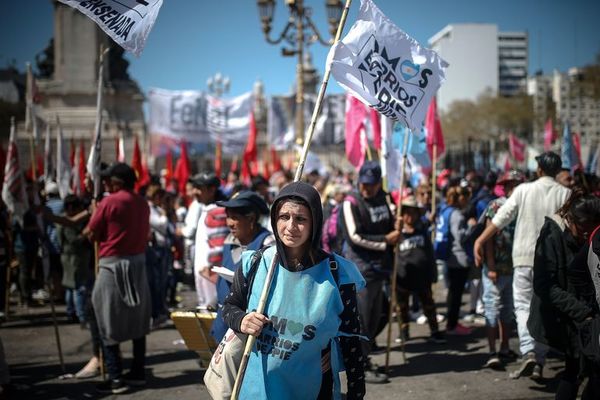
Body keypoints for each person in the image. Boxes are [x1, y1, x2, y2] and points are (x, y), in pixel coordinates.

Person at [222, 182, 366, 399]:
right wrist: (241, 320)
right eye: (284, 217)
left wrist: (356, 392)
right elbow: (229, 307)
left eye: (300, 219)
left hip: (314, 389)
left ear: (315, 223)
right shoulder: (254, 263)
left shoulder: (337, 274)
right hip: (259, 387)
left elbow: (351, 336)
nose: (290, 226)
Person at [474, 151, 571, 380]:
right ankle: (538, 358)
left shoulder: (524, 190)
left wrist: (480, 240)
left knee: (523, 307)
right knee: (545, 308)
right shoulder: (565, 194)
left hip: (524, 259)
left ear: (538, 170)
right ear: (557, 171)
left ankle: (528, 351)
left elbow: (500, 219)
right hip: (552, 262)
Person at [85, 163, 151, 394]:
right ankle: (137, 372)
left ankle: (115, 378)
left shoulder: (109, 201)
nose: (105, 185)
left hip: (113, 265)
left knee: (105, 318)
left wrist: (96, 211)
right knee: (138, 319)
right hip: (138, 264)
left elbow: (91, 233)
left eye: (107, 181)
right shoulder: (142, 203)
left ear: (116, 182)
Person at [528, 192, 600, 399]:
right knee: (576, 370)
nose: (589, 236)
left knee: (584, 371)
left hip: (586, 316)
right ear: (571, 220)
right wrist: (583, 313)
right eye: (585, 231)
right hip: (566, 318)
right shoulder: (552, 234)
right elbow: (544, 285)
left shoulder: (590, 236)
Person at [339, 160, 400, 383]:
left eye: (372, 184)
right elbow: (354, 237)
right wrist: (385, 241)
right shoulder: (351, 203)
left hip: (381, 268)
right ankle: (361, 365)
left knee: (379, 314)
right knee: (361, 318)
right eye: (364, 183)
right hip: (361, 270)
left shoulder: (383, 198)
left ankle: (366, 354)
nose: (367, 188)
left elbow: (390, 224)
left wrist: (396, 226)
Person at [210, 191, 274, 342]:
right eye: (228, 217)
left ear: (251, 219)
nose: (229, 223)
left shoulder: (268, 245)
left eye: (235, 218)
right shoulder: (230, 240)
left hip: (248, 327)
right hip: (224, 322)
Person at [479, 171, 524, 369]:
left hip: (514, 267)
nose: (512, 188)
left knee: (508, 310)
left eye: (516, 184)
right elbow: (488, 238)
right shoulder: (496, 206)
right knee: (492, 309)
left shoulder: (523, 205)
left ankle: (505, 347)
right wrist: (491, 266)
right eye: (509, 184)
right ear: (503, 186)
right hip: (495, 268)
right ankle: (492, 351)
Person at [394, 196, 445, 344]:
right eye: (407, 213)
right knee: (402, 307)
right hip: (402, 276)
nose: (410, 217)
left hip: (422, 275)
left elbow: (429, 254)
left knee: (428, 304)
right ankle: (404, 332)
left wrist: (433, 272)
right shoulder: (397, 234)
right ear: (402, 215)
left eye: (413, 213)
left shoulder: (422, 231)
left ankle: (435, 331)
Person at [438, 185, 475, 335]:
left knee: (453, 292)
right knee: (456, 293)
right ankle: (452, 325)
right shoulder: (457, 215)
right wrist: (471, 227)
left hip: (449, 256)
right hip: (458, 258)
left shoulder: (445, 211)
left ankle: (451, 323)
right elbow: (461, 237)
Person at [192, 172, 229, 308]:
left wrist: (212, 272)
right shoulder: (210, 209)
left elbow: (217, 248)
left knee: (212, 310)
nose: (194, 191)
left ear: (212, 190)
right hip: (205, 273)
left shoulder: (217, 211)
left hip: (210, 275)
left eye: (199, 188)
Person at [56, 195, 92, 325]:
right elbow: (73, 240)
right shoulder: (67, 221)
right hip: (73, 257)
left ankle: (71, 312)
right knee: (78, 287)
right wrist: (85, 233)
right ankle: (81, 315)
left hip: (73, 257)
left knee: (71, 287)